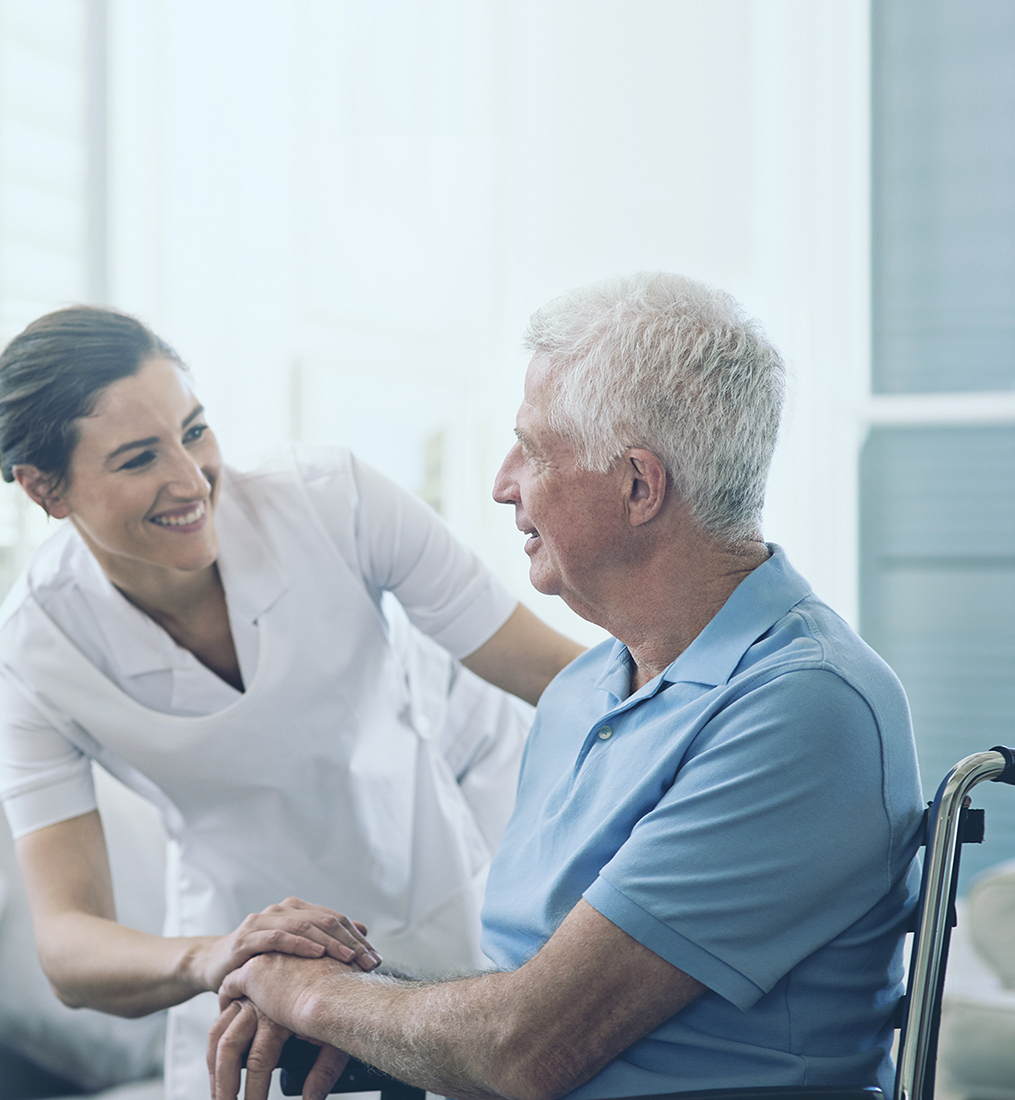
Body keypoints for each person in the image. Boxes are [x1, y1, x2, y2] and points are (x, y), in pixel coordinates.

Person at [208, 273, 922, 1100]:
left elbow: (528, 1047)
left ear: (639, 487)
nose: (503, 482)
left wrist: (311, 992)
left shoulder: (807, 708)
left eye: (534, 450)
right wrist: (328, 1001)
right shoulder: (583, 689)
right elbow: (523, 996)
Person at [0, 306, 587, 1100]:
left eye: (194, 431)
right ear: (45, 489)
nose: (190, 481)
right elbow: (67, 948)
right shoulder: (32, 653)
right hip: (249, 982)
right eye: (137, 458)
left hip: (433, 917)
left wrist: (730, 714)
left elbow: (567, 680)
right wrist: (217, 954)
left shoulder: (332, 501)